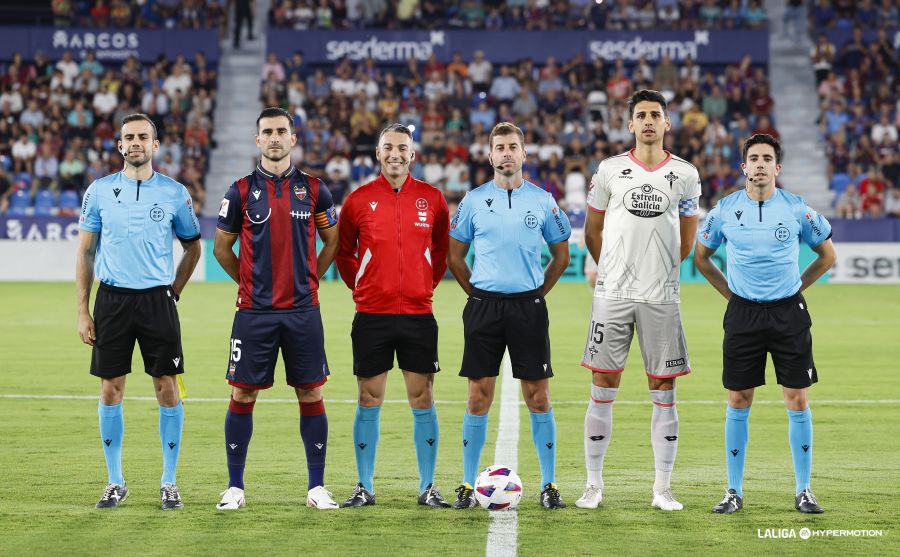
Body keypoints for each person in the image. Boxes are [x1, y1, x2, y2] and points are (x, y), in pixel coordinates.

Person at [694, 134, 835, 515]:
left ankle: (804, 490)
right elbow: (701, 257)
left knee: (797, 398)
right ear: (743, 167)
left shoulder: (797, 209)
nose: (759, 164)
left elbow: (827, 254)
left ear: (777, 167)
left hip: (788, 313)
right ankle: (733, 491)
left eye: (766, 158)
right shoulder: (723, 210)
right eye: (753, 158)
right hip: (743, 314)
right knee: (739, 399)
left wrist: (797, 287)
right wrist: (732, 295)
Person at [577, 89, 701, 512]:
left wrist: (658, 269)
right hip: (612, 295)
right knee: (602, 384)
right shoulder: (609, 170)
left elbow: (686, 239)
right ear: (630, 124)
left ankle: (662, 488)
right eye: (641, 115)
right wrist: (612, 269)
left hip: (661, 296)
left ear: (667, 123)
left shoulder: (685, 174)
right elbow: (592, 232)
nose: (648, 121)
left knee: (663, 388)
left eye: (656, 115)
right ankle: (593, 485)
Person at [213, 107, 340, 511]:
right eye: (267, 131)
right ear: (257, 140)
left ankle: (316, 487)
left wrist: (311, 280)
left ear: (293, 138)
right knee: (243, 392)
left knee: (310, 390)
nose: (274, 138)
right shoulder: (239, 191)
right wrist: (250, 285)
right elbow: (221, 248)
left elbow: (332, 241)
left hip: (303, 310)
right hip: (254, 313)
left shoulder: (316, 189)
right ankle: (235, 487)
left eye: (281, 131)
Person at [76, 113, 202, 510]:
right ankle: (115, 481)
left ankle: (169, 481)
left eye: (143, 137)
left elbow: (193, 246)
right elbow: (85, 251)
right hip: (111, 301)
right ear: (119, 145)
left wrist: (174, 292)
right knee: (110, 388)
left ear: (156, 145)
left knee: (166, 387)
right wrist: (83, 309)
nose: (135, 143)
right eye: (128, 137)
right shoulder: (98, 191)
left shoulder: (175, 192)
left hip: (156, 301)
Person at [447, 121, 571, 509]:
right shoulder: (472, 201)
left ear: (523, 153)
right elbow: (455, 256)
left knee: (538, 396)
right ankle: (468, 484)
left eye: (512, 147)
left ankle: (549, 485)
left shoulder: (543, 200)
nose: (506, 153)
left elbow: (561, 255)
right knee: (477, 396)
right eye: (499, 147)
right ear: (489, 155)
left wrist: (536, 294)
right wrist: (477, 295)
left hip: (528, 308)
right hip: (483, 308)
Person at [335, 123, 451, 508]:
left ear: (413, 155)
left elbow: (439, 252)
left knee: (423, 397)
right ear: (378, 153)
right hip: (372, 314)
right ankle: (364, 486)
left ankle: (428, 486)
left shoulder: (432, 199)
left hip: (418, 313)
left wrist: (422, 285)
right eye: (388, 147)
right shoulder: (357, 200)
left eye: (402, 148)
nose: (395, 154)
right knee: (369, 397)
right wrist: (363, 287)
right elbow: (344, 254)